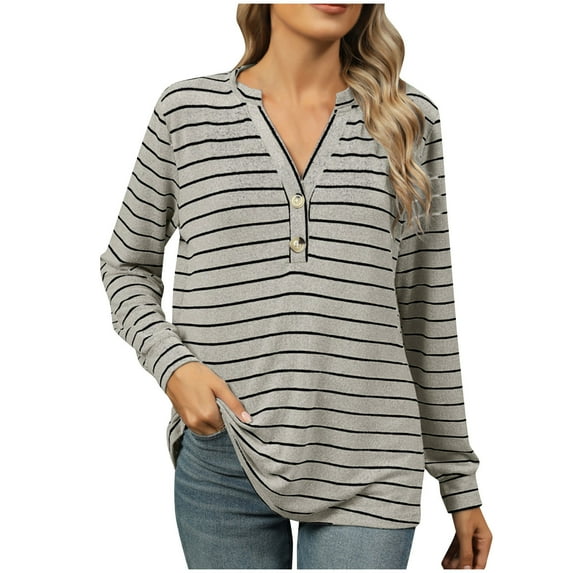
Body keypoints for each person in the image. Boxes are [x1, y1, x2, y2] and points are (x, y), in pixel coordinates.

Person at [99, 3, 492, 569]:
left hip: (373, 461)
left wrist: (459, 481)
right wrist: (174, 367)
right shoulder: (186, 113)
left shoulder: (408, 120)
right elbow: (126, 266)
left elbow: (426, 310)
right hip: (226, 452)